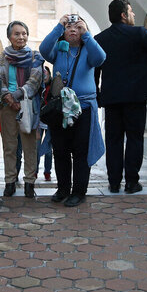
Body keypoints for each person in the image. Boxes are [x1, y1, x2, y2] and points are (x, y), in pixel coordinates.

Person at [95, 0, 147, 193]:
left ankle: (114, 182)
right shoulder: (139, 33)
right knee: (134, 139)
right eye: (131, 11)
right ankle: (132, 182)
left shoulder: (100, 38)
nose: (133, 15)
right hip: (136, 97)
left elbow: (95, 69)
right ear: (123, 15)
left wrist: (97, 93)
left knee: (113, 140)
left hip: (112, 98)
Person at [40, 15, 106, 207]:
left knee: (80, 151)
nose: (72, 29)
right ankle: (62, 189)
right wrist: (58, 27)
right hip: (60, 109)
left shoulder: (88, 50)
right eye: (68, 26)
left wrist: (87, 35)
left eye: (77, 27)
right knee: (60, 150)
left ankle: (78, 191)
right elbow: (44, 49)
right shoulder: (60, 50)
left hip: (83, 108)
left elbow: (101, 58)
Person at [0, 20, 44, 198]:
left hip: (28, 105)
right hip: (7, 106)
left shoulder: (34, 56)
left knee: (29, 146)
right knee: (9, 146)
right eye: (16, 34)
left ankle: (29, 183)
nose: (21, 37)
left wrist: (19, 96)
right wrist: (8, 97)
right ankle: (10, 181)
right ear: (9, 37)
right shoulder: (2, 57)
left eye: (24, 33)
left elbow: (35, 79)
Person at [38, 66, 54, 181]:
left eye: (46, 74)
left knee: (48, 148)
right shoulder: (37, 87)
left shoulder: (53, 87)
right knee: (36, 147)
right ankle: (34, 171)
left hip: (49, 120)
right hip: (39, 121)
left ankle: (47, 172)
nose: (44, 76)